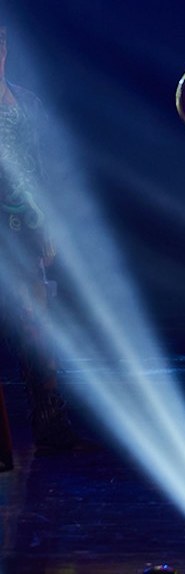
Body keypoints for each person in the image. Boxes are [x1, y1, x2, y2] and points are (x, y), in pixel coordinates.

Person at [0, 23, 76, 456]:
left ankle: (50, 420)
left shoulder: (27, 103)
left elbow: (44, 171)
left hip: (25, 227)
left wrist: (50, 226)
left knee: (36, 324)